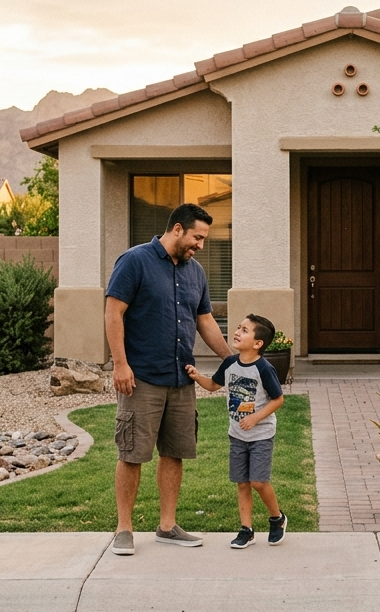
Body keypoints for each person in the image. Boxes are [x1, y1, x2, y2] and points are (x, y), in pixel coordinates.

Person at [105, 202, 233, 556]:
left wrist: (232, 360)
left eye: (204, 239)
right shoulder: (134, 261)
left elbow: (205, 320)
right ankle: (124, 529)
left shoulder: (196, 273)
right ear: (177, 229)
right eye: (197, 237)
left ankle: (167, 525)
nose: (201, 245)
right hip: (141, 376)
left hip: (181, 377)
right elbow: (113, 312)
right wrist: (120, 364)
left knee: (174, 452)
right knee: (132, 453)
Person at [185, 314, 288, 549]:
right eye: (238, 328)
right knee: (242, 482)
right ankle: (246, 529)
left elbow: (278, 399)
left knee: (258, 482)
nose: (237, 332)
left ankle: (277, 518)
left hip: (261, 435)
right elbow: (213, 385)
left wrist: (255, 417)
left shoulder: (264, 368)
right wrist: (197, 376)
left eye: (244, 330)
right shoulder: (230, 363)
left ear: (258, 343)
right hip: (237, 435)